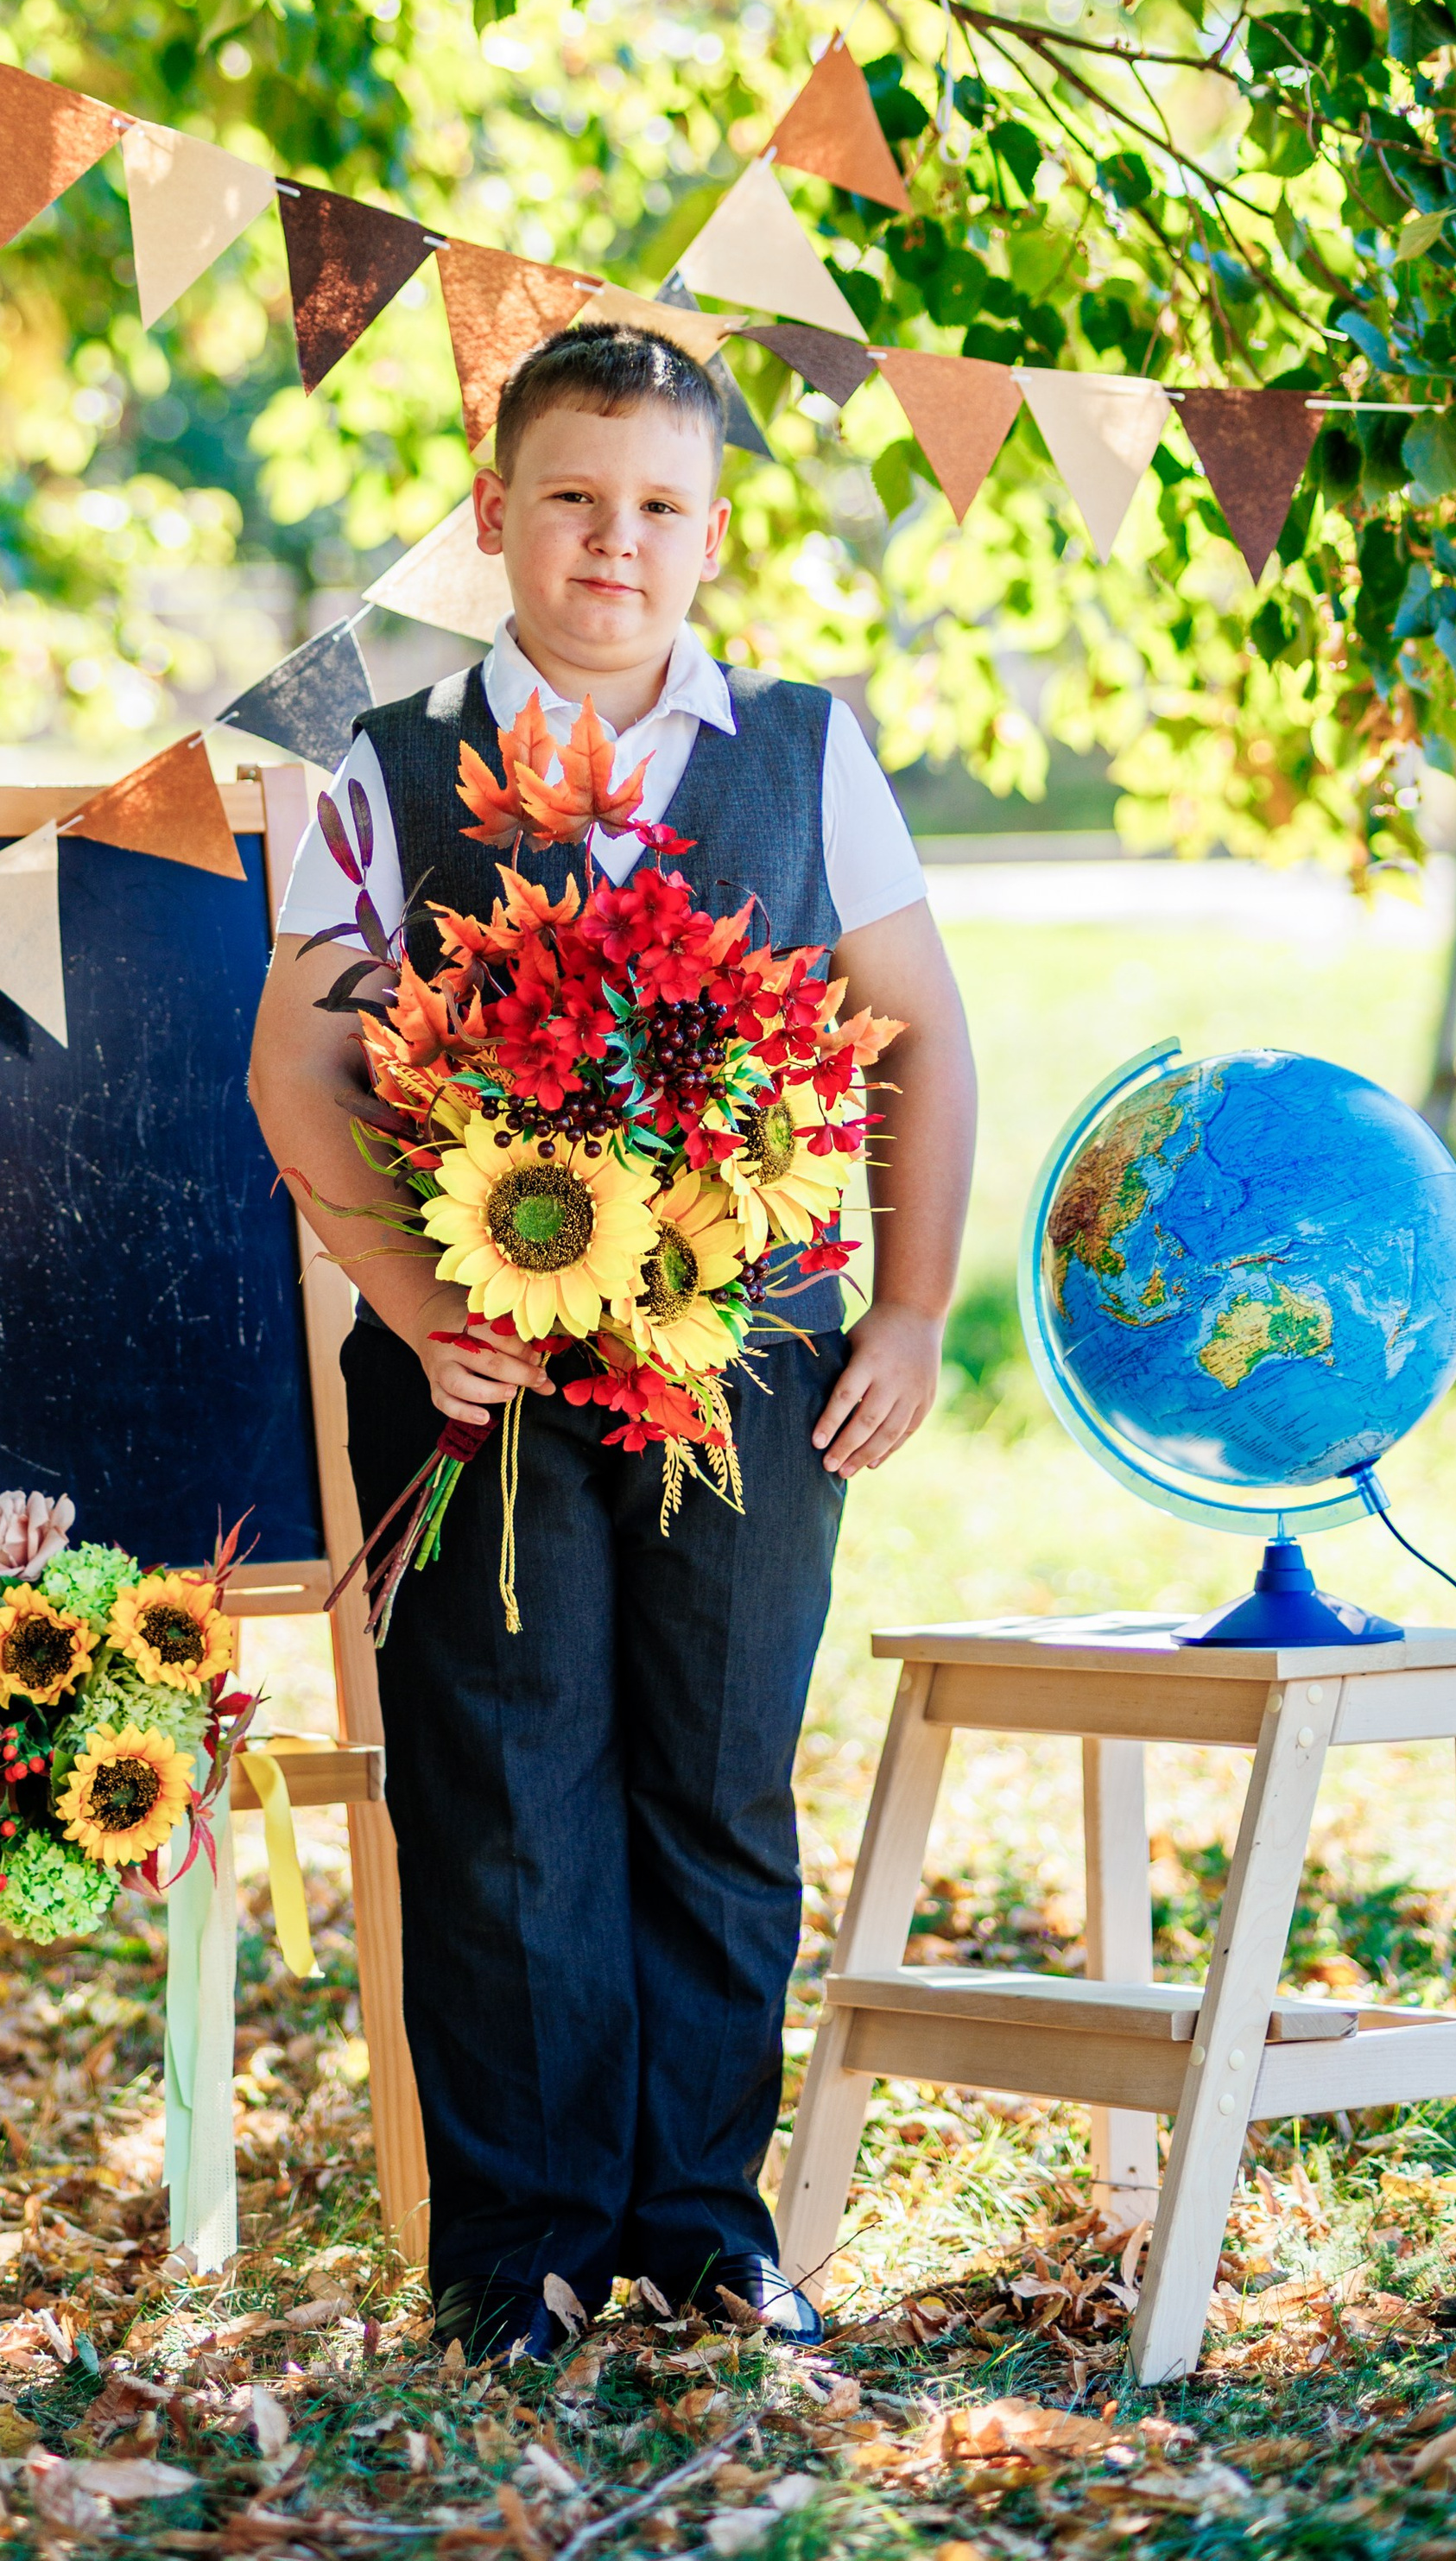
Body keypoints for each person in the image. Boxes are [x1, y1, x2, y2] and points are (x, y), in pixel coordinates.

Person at [249, 323, 975, 2363]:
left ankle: (700, 2228)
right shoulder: (381, 765)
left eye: (657, 506)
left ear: (710, 537)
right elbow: (297, 1069)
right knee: (499, 1785)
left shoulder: (800, 751)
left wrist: (909, 1304)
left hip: (751, 1365)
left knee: (716, 1780)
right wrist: (411, 1303)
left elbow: (918, 1034)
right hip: (471, 1360)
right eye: (569, 497)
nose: (611, 541)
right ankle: (521, 2253)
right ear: (492, 515)